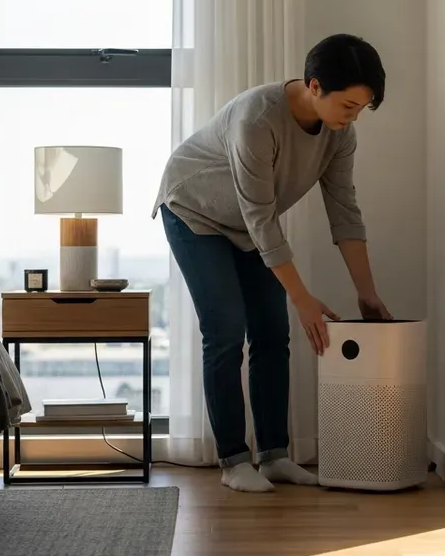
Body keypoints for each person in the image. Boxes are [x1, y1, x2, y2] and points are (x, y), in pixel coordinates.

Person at [152, 33, 393, 493]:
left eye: (361, 109)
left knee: (271, 332)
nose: (352, 118)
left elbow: (344, 211)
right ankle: (232, 461)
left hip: (247, 224)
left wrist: (367, 291)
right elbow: (261, 218)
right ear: (315, 86)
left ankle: (274, 456)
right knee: (225, 330)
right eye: (348, 106)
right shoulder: (257, 118)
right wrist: (301, 297)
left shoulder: (340, 136)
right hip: (194, 210)